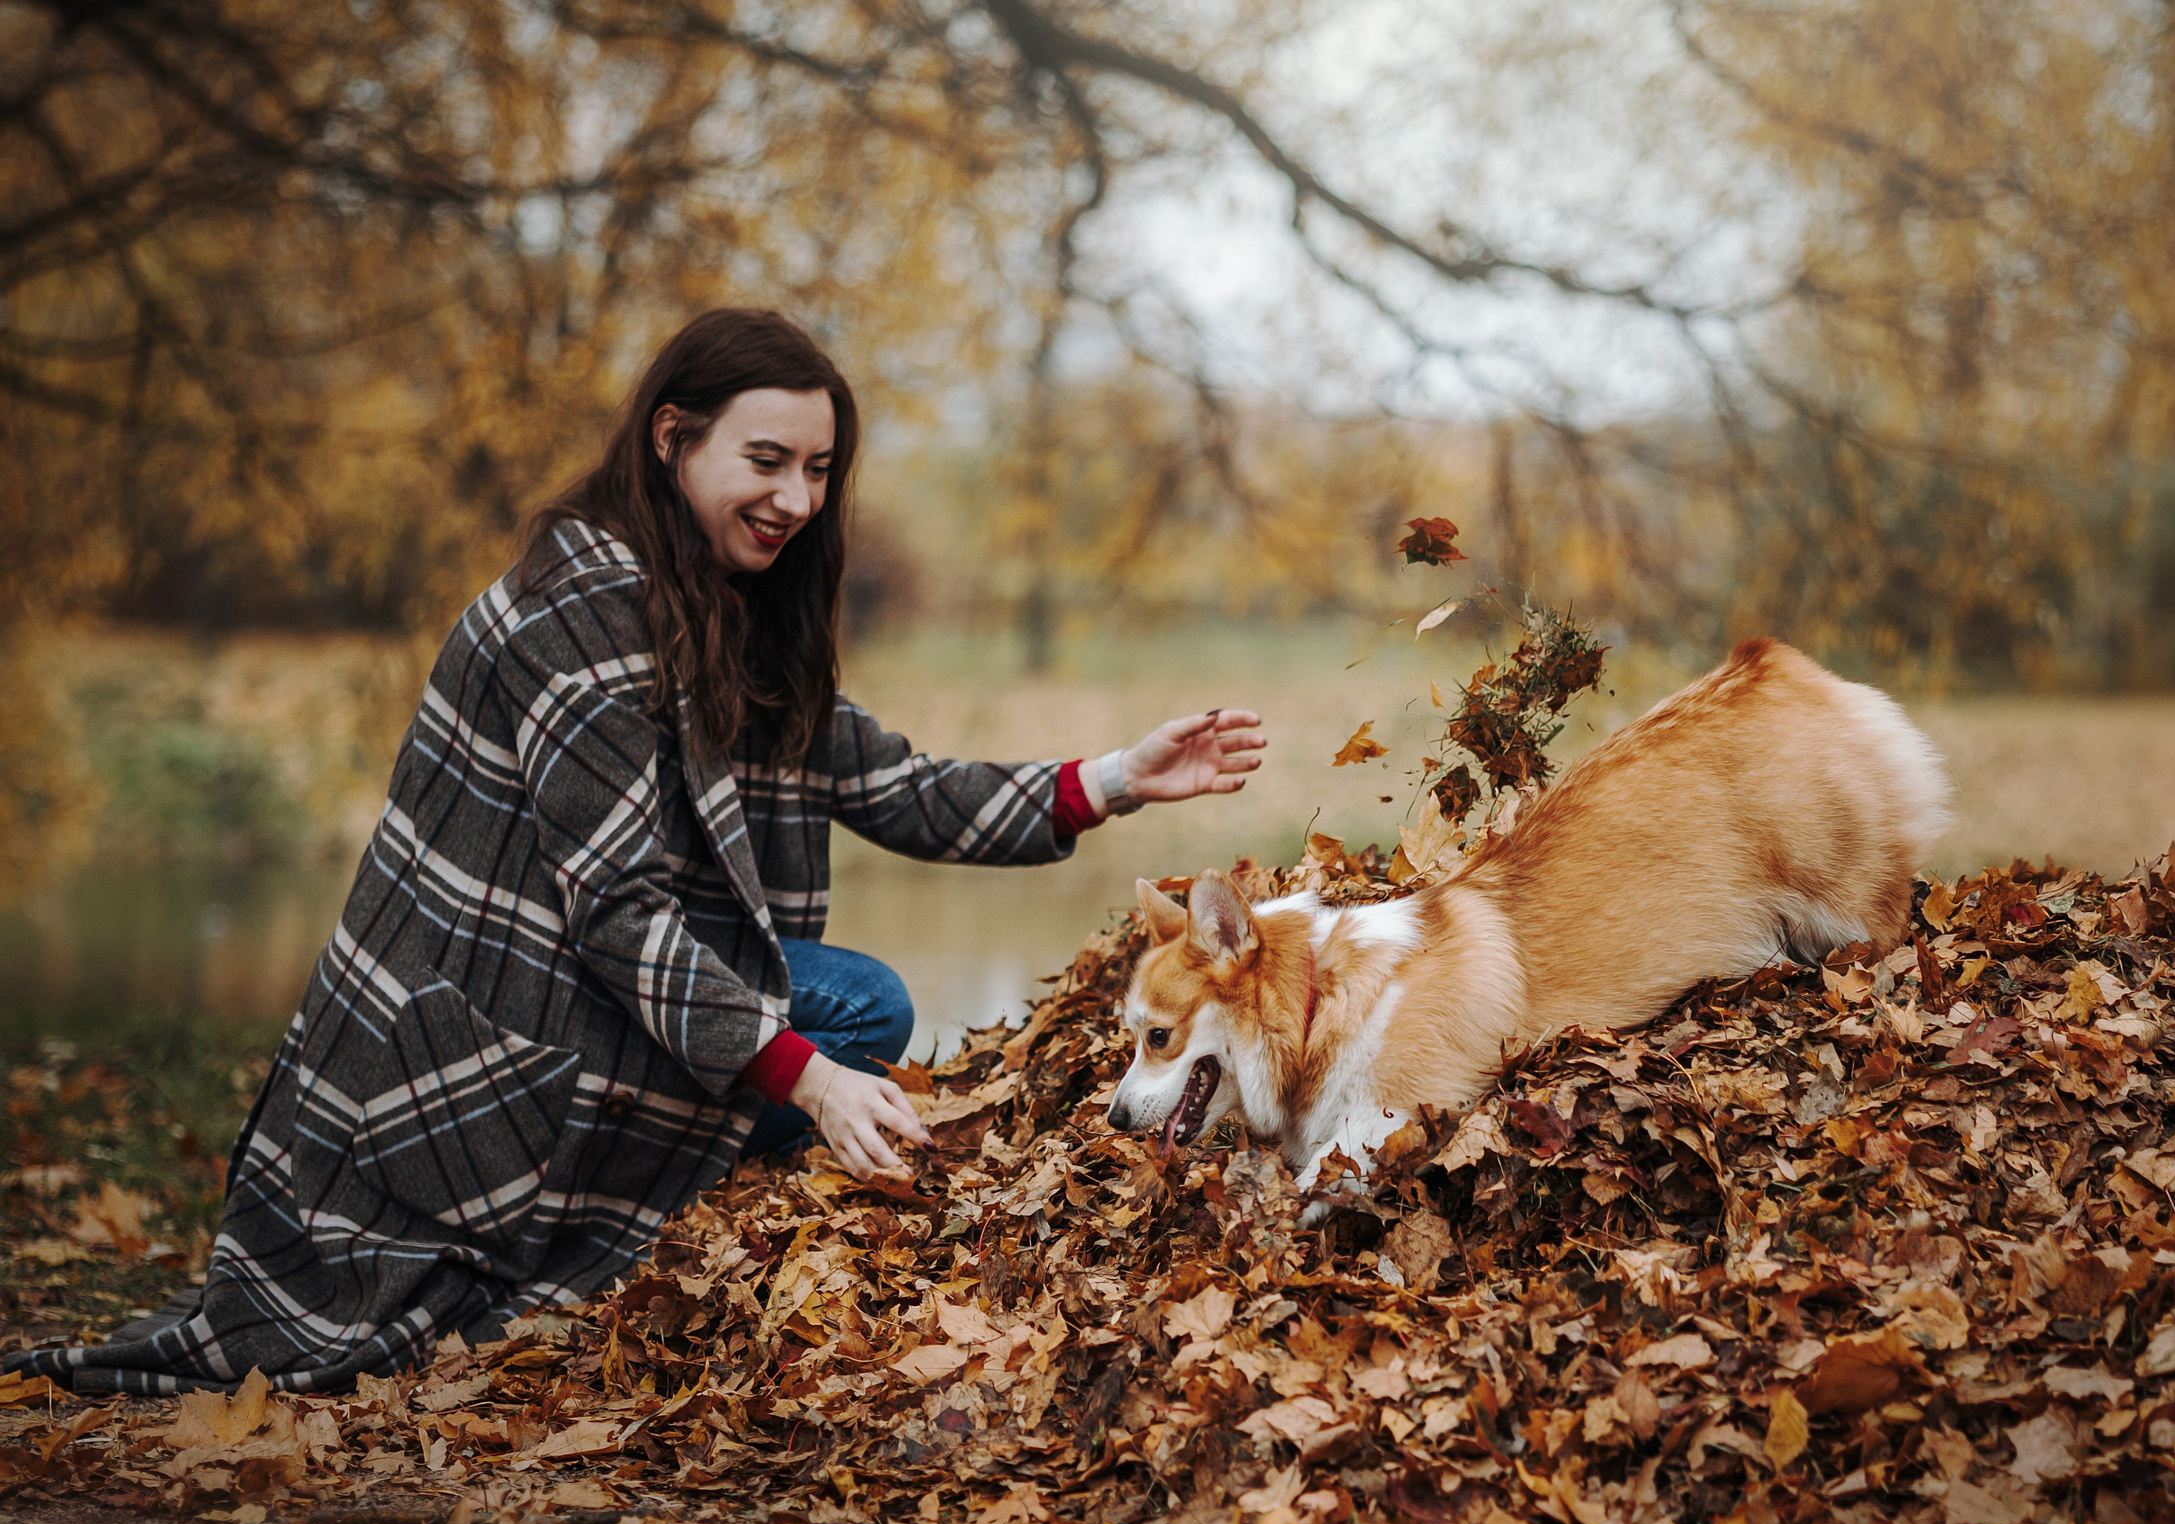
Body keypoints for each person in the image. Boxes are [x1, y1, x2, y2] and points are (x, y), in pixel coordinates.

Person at [5, 308, 1262, 1396]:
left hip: (575, 996)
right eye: (764, 460)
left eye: (819, 469)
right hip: (477, 1033)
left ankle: (676, 1176)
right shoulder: (581, 608)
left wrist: (1111, 781)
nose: (796, 499)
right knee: (839, 1027)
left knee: (855, 1005)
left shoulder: (721, 613)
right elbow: (616, 916)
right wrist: (805, 1083)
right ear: (673, 439)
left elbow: (890, 784)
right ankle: (628, 1208)